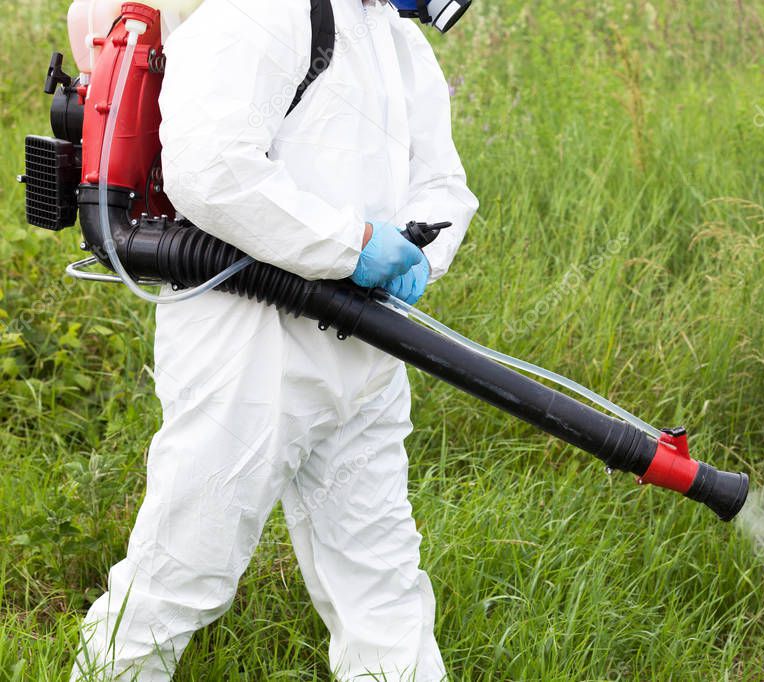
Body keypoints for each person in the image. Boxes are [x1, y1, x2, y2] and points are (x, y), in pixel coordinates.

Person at [71, 0, 477, 679]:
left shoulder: (402, 47)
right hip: (249, 345)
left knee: (380, 578)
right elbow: (211, 169)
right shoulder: (262, 9)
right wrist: (351, 245)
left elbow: (443, 185)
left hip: (365, 346)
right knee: (185, 567)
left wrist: (415, 254)